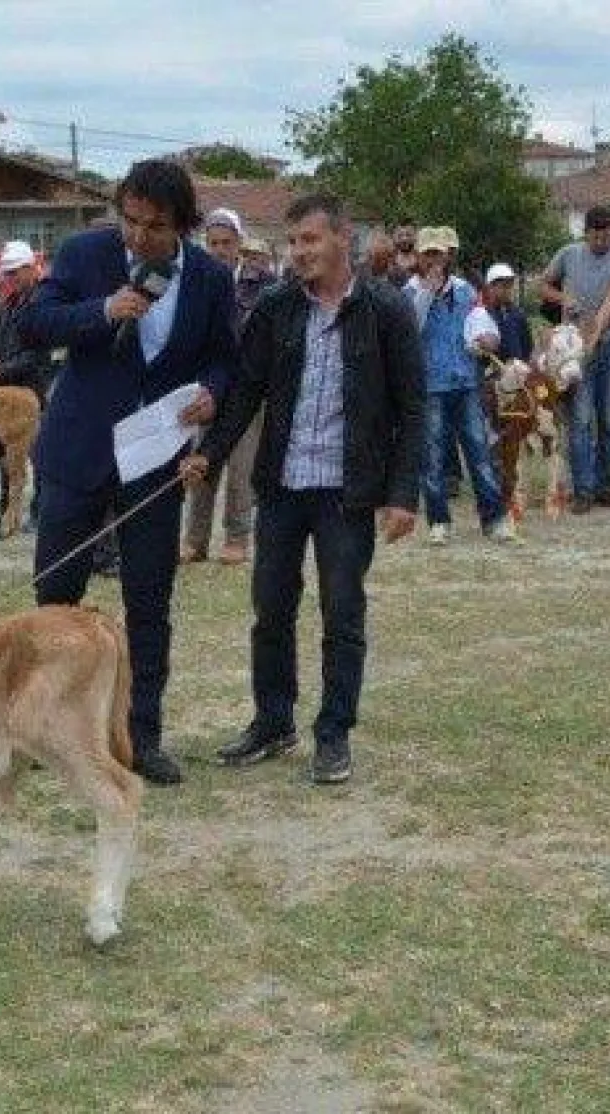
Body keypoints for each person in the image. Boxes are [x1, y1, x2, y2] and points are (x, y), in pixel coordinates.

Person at [181, 193, 423, 784]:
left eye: (309, 240)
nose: (298, 253)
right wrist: (209, 455)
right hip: (283, 487)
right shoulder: (276, 308)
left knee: (342, 614)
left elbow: (413, 410)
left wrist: (402, 494)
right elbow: (246, 391)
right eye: (292, 242)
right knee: (270, 610)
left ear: (343, 239)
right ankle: (273, 722)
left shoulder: (387, 310)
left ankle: (333, 733)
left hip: (347, 491)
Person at [20, 159, 238, 786]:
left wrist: (212, 393)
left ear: (183, 226)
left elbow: (225, 356)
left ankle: (141, 737)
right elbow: (34, 323)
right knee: (55, 599)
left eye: (155, 226)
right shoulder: (83, 254)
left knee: (149, 603)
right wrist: (101, 310)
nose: (139, 236)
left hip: (154, 460)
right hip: (78, 451)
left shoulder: (210, 279)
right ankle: (47, 732)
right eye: (131, 221)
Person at [182, 207, 278, 566]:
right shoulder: (197, 282)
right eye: (213, 243)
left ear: (239, 243)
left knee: (241, 466)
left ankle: (237, 537)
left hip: (248, 387)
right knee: (203, 460)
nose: (220, 249)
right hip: (209, 386)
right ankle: (195, 539)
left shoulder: (263, 284)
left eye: (226, 242)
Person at [405, 228, 511, 544]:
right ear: (418, 257)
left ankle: (494, 519)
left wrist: (490, 339)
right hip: (430, 386)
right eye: (428, 254)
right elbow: (409, 330)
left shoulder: (465, 291)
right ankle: (439, 521)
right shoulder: (408, 293)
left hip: (466, 383)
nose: (434, 261)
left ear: (447, 256)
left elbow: (485, 327)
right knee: (433, 459)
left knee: (480, 453)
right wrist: (428, 292)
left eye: (439, 254)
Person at [539, 206, 610, 511]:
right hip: (572, 349)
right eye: (596, 236)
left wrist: (592, 339)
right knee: (579, 419)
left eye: (607, 236)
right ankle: (583, 489)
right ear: (586, 233)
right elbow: (543, 285)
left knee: (608, 419)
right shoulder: (567, 254)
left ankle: (604, 485)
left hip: (609, 346)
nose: (602, 242)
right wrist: (564, 298)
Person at [0, 238, 53, 529]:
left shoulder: (44, 302)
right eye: (7, 273)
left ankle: (40, 511)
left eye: (14, 272)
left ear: (31, 268)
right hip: (7, 389)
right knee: (5, 448)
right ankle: (5, 508)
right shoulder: (9, 304)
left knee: (38, 453)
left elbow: (38, 355)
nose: (9, 278)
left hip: (35, 388)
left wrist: (1, 370)